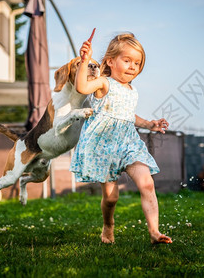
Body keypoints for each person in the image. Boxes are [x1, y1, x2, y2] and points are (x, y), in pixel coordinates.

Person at [70, 32, 172, 245]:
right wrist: (85, 61)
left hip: (128, 144)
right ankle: (108, 226)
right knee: (111, 198)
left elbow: (127, 115)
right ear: (110, 61)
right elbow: (81, 87)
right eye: (127, 60)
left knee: (147, 184)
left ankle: (154, 232)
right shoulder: (103, 83)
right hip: (104, 146)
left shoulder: (132, 91)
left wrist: (149, 124)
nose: (133, 66)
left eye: (137, 62)